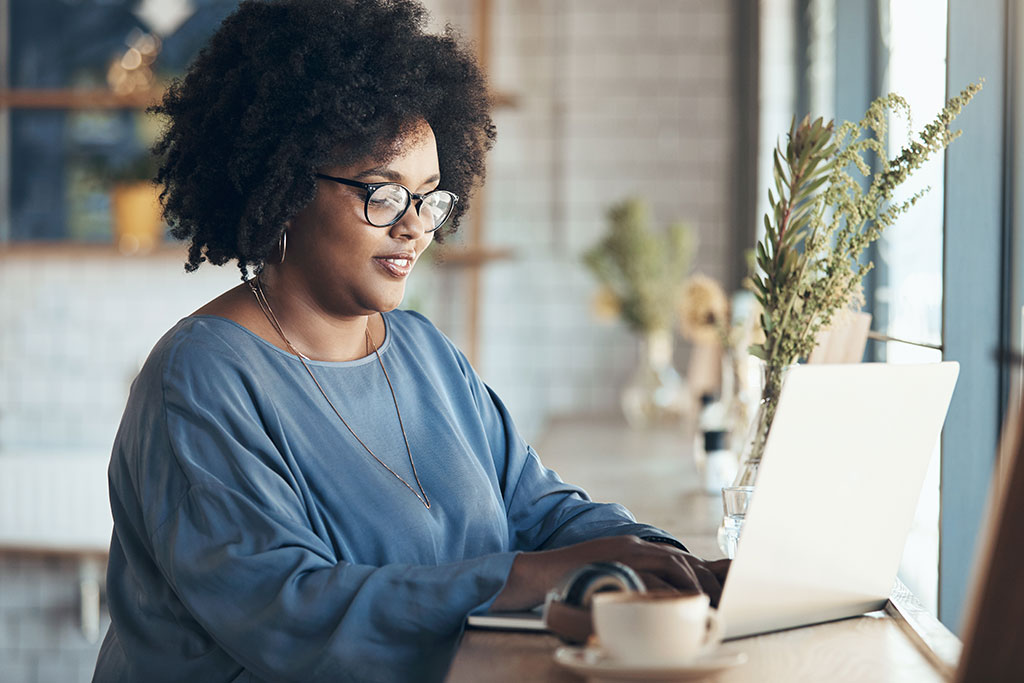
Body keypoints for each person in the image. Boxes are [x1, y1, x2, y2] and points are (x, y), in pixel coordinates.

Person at [93, 1, 728, 681]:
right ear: (282, 187)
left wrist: (671, 560)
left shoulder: (424, 353)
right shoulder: (199, 379)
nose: (416, 227)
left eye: (430, 196)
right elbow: (290, 611)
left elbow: (541, 510)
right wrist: (531, 576)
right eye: (383, 194)